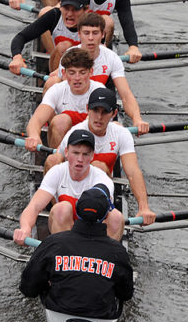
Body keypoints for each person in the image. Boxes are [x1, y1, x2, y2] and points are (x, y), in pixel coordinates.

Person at [18, 184, 134, 319]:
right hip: (101, 314)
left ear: (77, 211)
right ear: (106, 216)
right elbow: (126, 294)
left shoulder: (53, 243)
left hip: (58, 309)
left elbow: (28, 289)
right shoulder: (118, 252)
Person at [44, 87, 156, 226]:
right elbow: (56, 165)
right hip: (73, 189)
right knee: (52, 160)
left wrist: (143, 207)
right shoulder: (75, 132)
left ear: (114, 113)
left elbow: (132, 172)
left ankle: (101, 216)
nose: (99, 117)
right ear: (88, 110)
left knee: (99, 167)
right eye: (95, 110)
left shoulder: (121, 133)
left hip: (100, 190)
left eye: (105, 112)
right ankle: (60, 215)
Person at [44, 12, 150, 136]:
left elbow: (125, 95)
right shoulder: (70, 55)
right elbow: (63, 92)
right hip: (73, 108)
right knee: (52, 83)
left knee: (117, 126)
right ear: (79, 34)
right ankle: (55, 130)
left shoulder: (111, 58)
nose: (90, 38)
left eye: (95, 33)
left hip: (98, 106)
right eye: (86, 33)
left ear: (102, 35)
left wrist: (137, 119)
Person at [14, 129, 126, 242]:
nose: (80, 159)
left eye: (85, 154)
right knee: (61, 208)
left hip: (93, 232)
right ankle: (64, 252)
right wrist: (25, 228)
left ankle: (104, 255)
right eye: (76, 153)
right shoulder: (57, 172)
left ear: (92, 156)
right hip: (65, 230)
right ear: (66, 152)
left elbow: (106, 217)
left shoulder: (102, 179)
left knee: (116, 217)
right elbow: (34, 207)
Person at [24, 48, 104, 152]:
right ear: (64, 73)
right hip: (63, 140)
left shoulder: (99, 91)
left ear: (91, 72)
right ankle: (59, 161)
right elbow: (36, 119)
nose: (77, 78)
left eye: (82, 72)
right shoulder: (56, 90)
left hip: (91, 141)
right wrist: (34, 135)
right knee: (60, 121)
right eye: (72, 73)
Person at [9, 0, 90, 75]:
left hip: (87, 68)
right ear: (60, 7)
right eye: (66, 8)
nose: (69, 14)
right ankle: (57, 82)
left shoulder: (93, 25)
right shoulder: (55, 16)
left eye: (75, 9)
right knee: (64, 47)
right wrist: (17, 58)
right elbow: (21, 37)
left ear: (86, 9)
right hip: (60, 69)